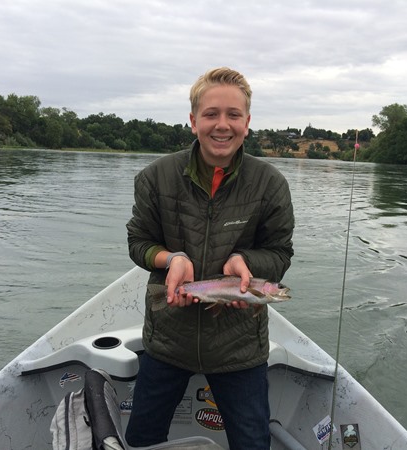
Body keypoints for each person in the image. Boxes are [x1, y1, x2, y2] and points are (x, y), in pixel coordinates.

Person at [125, 67, 294, 450]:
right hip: (168, 336)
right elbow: (139, 242)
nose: (223, 125)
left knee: (252, 443)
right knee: (141, 440)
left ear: (247, 123)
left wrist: (243, 261)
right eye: (211, 114)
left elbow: (280, 253)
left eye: (233, 115)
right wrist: (172, 260)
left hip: (239, 347)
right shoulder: (155, 177)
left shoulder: (270, 184)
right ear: (193, 121)